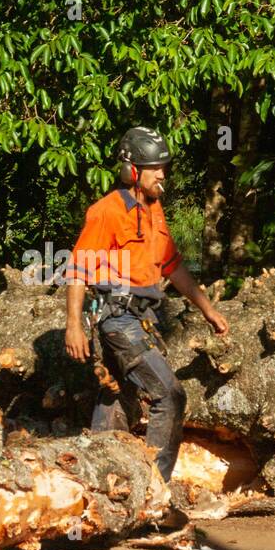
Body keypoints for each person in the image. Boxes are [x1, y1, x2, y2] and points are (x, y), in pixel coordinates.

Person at [63, 126, 229, 485]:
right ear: (132, 171)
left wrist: (206, 307)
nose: (162, 174)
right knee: (169, 395)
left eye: (164, 167)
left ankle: (97, 488)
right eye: (155, 168)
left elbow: (172, 265)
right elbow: (77, 269)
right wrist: (73, 325)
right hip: (118, 319)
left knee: (114, 400)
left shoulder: (154, 211)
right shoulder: (106, 211)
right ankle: (156, 490)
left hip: (142, 318)